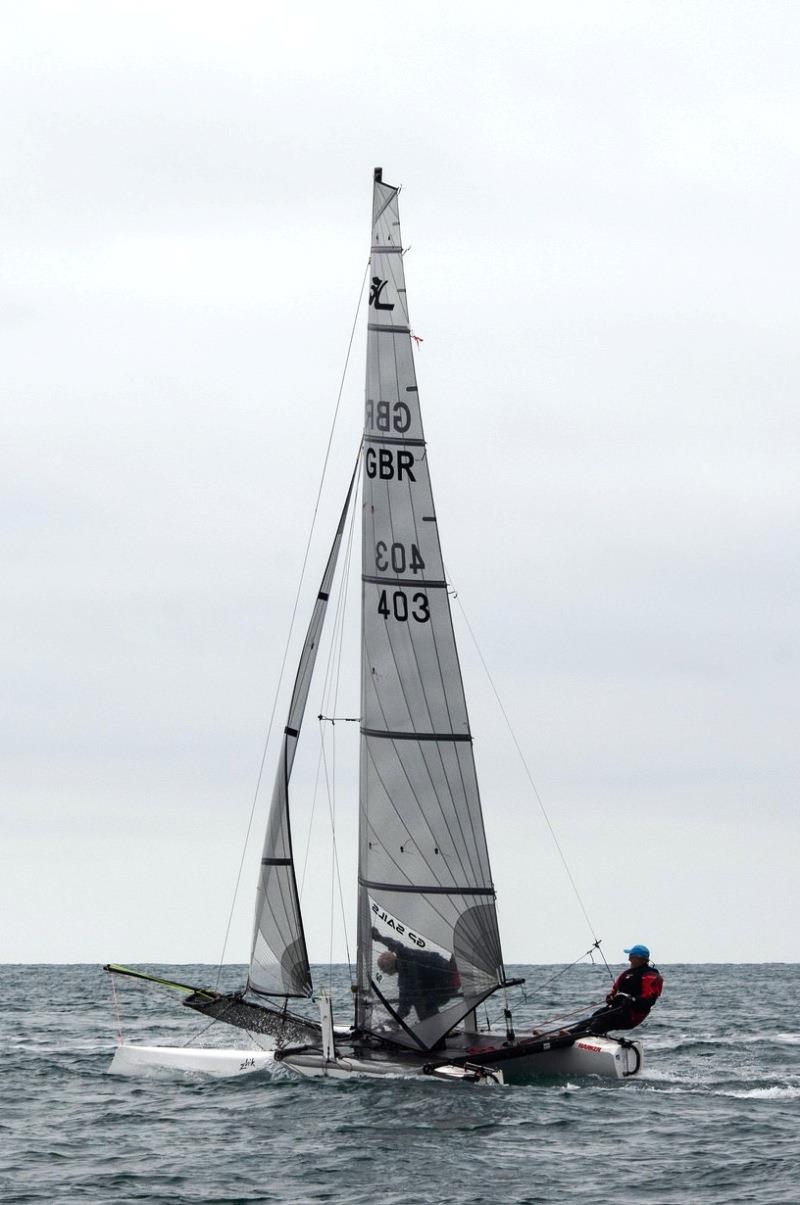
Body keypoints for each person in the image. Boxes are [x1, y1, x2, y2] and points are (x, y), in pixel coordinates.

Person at [371, 929, 461, 1023]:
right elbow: (394, 944)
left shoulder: (405, 976)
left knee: (419, 1001)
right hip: (452, 972)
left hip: (449, 982)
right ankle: (435, 1027)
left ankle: (433, 1029)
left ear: (388, 967)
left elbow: (404, 1004)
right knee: (420, 997)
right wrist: (379, 937)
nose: (384, 973)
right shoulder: (405, 954)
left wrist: (395, 1021)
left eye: (383, 969)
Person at [582, 944, 663, 1036]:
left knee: (603, 1020)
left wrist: (631, 999)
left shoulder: (650, 975)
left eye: (631, 957)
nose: (629, 959)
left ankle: (584, 1036)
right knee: (595, 1016)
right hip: (617, 1009)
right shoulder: (626, 974)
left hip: (632, 1014)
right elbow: (614, 991)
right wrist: (610, 997)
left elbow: (649, 1000)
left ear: (639, 958)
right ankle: (569, 1035)